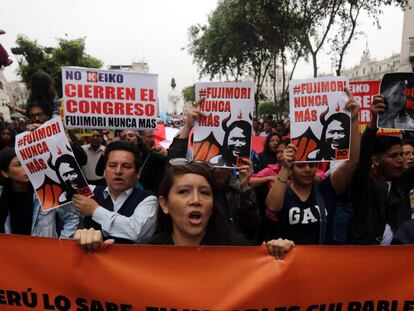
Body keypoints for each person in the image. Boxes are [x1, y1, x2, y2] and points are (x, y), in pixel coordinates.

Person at [74, 162, 294, 259]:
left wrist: (274, 254)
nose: (196, 200)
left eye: (205, 193)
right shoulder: (145, 256)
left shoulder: (238, 252)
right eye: (184, 192)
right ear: (164, 204)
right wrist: (93, 253)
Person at [265, 89, 360, 244]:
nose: (308, 169)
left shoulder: (326, 189)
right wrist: (285, 167)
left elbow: (352, 162)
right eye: (301, 166)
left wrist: (354, 121)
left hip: (322, 264)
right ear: (292, 170)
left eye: (312, 164)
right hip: (291, 265)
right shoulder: (284, 193)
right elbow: (272, 207)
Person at [350, 94, 414, 245]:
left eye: (401, 154)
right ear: (376, 161)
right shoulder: (362, 183)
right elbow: (362, 159)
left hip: (400, 260)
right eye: (393, 156)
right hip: (367, 258)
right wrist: (373, 124)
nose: (400, 159)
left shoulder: (402, 181)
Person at [73, 141, 158, 244]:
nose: (118, 171)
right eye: (112, 165)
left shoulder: (148, 199)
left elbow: (136, 231)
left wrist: (95, 210)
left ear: (138, 173)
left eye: (126, 166)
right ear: (104, 171)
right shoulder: (90, 192)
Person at [0, 147, 79, 237]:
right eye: (19, 165)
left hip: (43, 249)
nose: (26, 168)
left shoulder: (48, 190)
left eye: (27, 163)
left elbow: (71, 218)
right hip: (9, 249)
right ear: (5, 173)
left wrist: (60, 244)